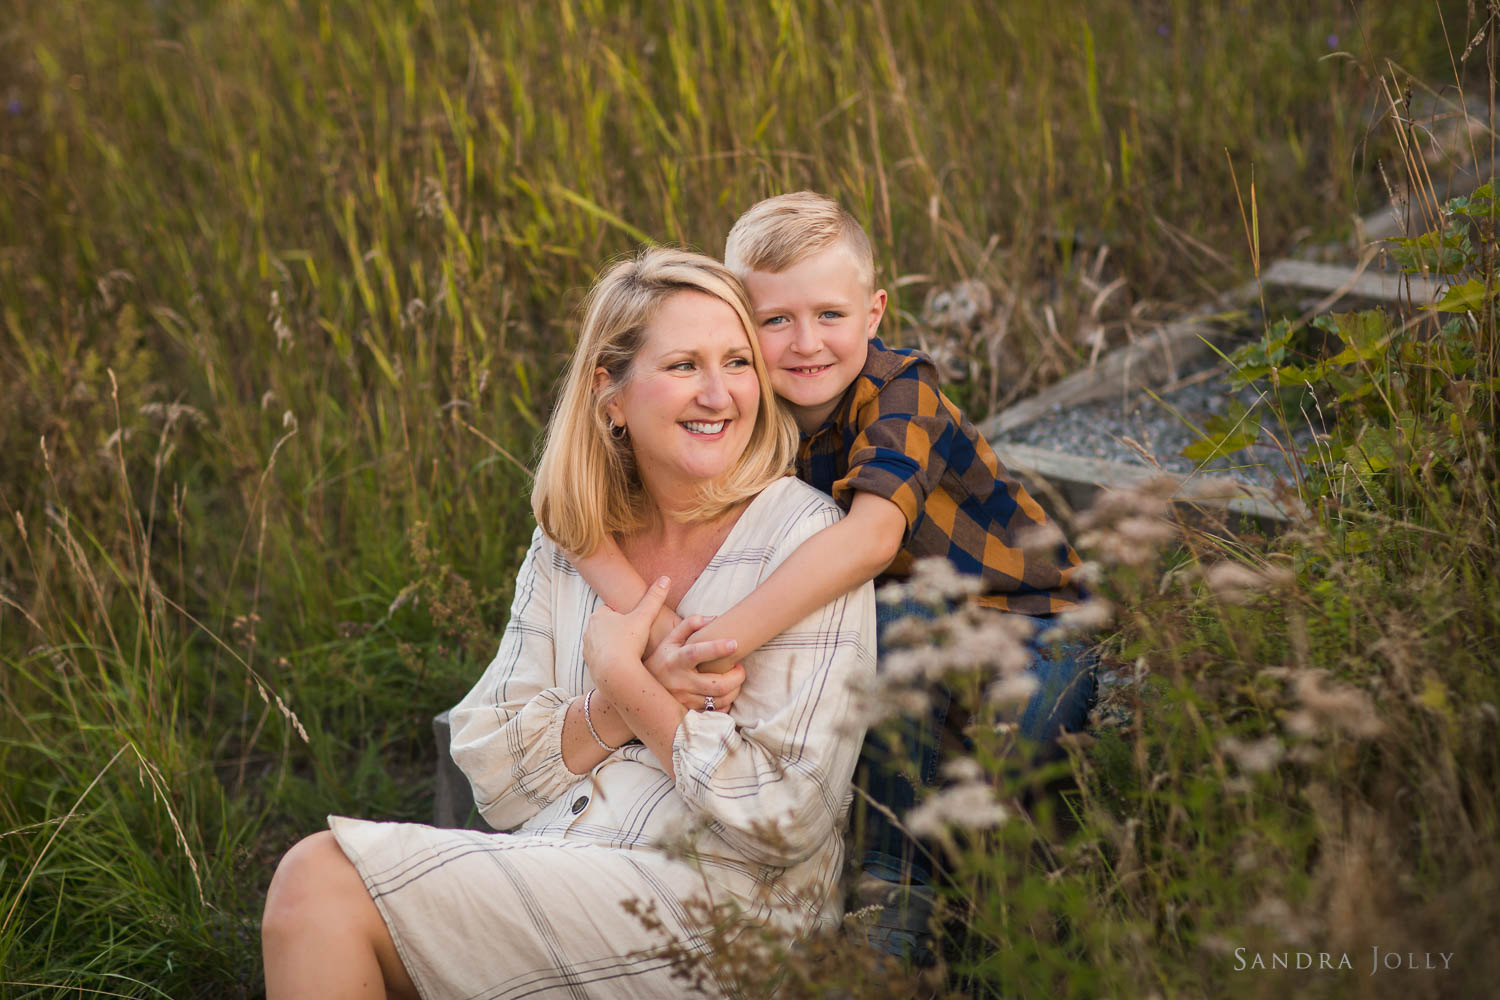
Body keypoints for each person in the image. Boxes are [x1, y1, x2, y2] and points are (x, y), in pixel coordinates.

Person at [260, 247, 876, 999]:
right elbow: (493, 767)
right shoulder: (573, 543)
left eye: (739, 363)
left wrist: (627, 680)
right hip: (559, 870)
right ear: (609, 395)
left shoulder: (806, 542)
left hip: (727, 920)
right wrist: (615, 709)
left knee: (319, 881)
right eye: (684, 365)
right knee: (322, 896)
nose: (720, 394)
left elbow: (786, 819)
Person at [574, 192, 1097, 963]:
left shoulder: (900, 389)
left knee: (995, 774)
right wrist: (650, 624)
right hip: (899, 629)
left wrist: (711, 646)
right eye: (775, 321)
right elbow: (578, 512)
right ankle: (896, 905)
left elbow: (871, 539)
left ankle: (972, 925)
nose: (806, 343)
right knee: (893, 660)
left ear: (875, 312)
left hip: (1039, 619)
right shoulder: (745, 412)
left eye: (830, 315)